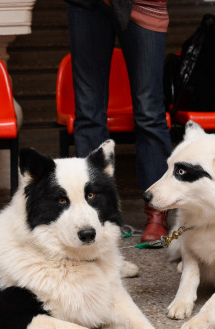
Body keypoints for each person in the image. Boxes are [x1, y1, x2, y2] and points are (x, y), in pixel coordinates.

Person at [65, 0, 172, 242]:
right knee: (88, 110)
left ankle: (158, 211)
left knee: (149, 110)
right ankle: (95, 212)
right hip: (87, 5)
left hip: (144, 3)